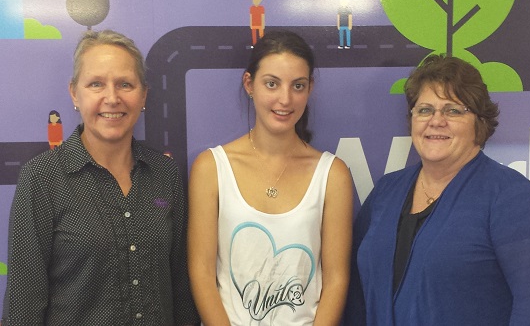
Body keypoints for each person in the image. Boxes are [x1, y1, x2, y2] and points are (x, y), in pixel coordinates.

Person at [344, 54, 530, 325]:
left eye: (453, 110)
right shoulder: (386, 192)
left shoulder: (511, 198)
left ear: (479, 123)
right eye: (424, 110)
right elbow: (355, 296)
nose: (436, 120)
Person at [2, 29, 199, 325]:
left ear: (143, 94)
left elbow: (181, 291)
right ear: (74, 94)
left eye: (125, 84)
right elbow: (24, 304)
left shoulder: (165, 174)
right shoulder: (42, 178)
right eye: (96, 84)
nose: (112, 98)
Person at [188, 30, 353, 325]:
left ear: (309, 89)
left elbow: (336, 279)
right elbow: (201, 273)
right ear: (250, 84)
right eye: (272, 84)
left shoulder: (333, 174)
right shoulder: (211, 167)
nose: (285, 99)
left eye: (298, 85)